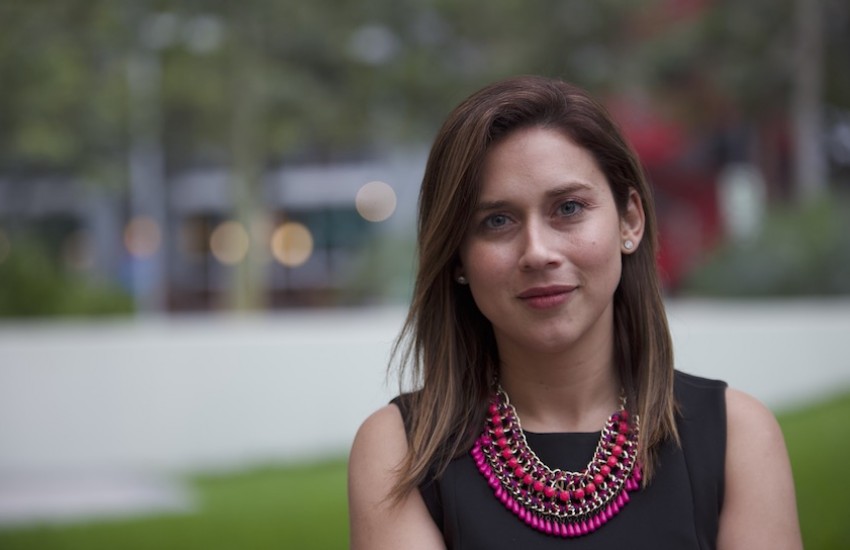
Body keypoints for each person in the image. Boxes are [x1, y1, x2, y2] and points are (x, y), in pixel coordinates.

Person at [348, 75, 801, 549]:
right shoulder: (401, 450)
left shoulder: (737, 438)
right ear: (458, 255)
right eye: (497, 220)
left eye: (568, 207)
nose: (537, 252)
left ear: (630, 221)